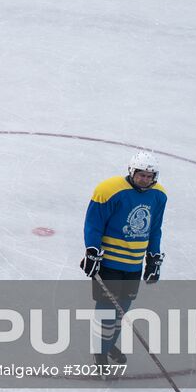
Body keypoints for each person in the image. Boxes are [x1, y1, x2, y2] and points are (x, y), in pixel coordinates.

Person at [79, 150, 167, 366]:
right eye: (141, 175)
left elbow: (155, 229)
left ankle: (108, 345)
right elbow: (94, 224)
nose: (145, 179)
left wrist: (153, 258)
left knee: (122, 309)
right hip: (109, 263)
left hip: (133, 264)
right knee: (106, 308)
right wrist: (92, 251)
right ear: (131, 172)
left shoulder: (159, 195)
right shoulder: (109, 190)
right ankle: (100, 353)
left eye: (149, 176)